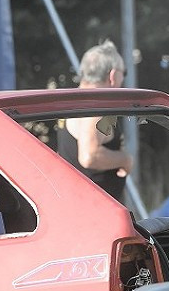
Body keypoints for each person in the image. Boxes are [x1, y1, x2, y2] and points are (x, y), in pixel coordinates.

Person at [56, 40, 133, 202]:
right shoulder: (94, 107)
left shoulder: (71, 103)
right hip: (98, 212)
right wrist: (125, 159)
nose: (122, 80)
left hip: (76, 206)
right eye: (123, 73)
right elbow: (89, 156)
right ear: (112, 75)